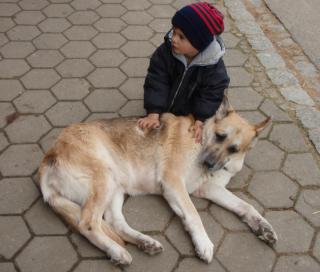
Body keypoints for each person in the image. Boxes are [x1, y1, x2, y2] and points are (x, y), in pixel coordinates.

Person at [138, 2, 230, 143]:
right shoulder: (166, 52)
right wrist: (154, 112)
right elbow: (157, 81)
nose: (174, 39)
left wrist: (200, 120)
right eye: (174, 31)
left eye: (181, 37)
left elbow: (210, 96)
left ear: (200, 44)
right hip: (164, 107)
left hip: (189, 115)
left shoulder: (214, 69)